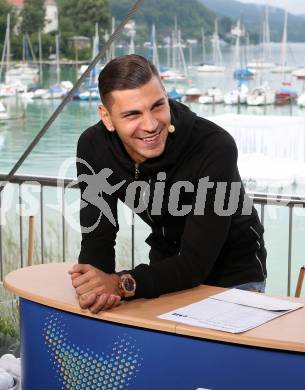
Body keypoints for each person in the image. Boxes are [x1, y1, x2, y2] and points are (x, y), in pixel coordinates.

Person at [69, 54, 267, 313]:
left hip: (233, 273)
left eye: (157, 106)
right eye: (132, 115)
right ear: (107, 117)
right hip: (165, 265)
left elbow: (196, 262)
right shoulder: (94, 147)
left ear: (166, 95)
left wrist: (119, 284)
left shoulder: (214, 146)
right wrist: (95, 288)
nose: (150, 125)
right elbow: (98, 237)